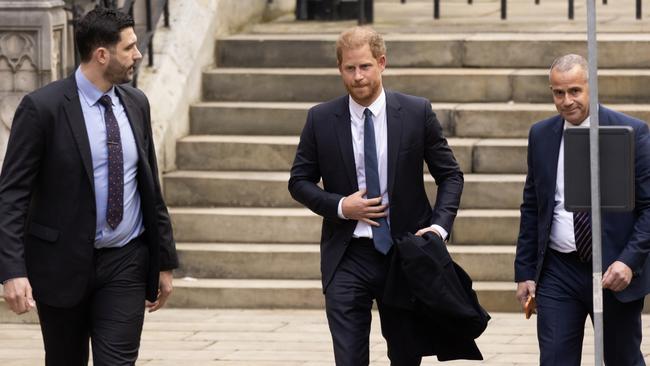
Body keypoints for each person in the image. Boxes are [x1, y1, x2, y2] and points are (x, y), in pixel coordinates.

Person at [0, 7, 178, 366]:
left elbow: (150, 188)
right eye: (129, 48)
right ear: (101, 54)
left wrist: (165, 260)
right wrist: (12, 271)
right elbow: (12, 195)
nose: (138, 55)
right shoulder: (42, 108)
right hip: (60, 264)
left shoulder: (136, 103)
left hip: (125, 261)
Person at [288, 26, 464, 365]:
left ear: (381, 63)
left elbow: (450, 175)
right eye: (349, 68)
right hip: (347, 254)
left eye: (365, 66)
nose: (357, 76)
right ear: (340, 69)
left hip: (403, 253)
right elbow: (299, 181)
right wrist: (341, 206)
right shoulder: (321, 119)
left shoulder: (416, 112)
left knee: (405, 356)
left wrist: (439, 228)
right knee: (349, 357)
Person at [515, 53, 650, 365]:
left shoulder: (632, 132)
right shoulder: (541, 135)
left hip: (613, 270)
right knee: (555, 359)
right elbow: (533, 206)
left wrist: (629, 261)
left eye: (574, 91)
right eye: (558, 93)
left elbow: (647, 207)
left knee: (622, 359)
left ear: (592, 88)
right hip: (558, 271)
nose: (566, 101)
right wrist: (524, 271)